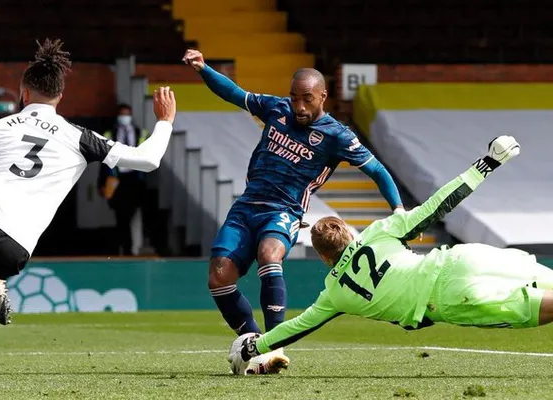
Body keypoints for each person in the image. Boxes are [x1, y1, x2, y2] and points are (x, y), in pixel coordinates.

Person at [0, 38, 177, 340]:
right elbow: (148, 159)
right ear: (60, 96)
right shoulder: (80, 137)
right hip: (17, 247)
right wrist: (165, 122)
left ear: (24, 93)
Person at [226, 135, 550, 375]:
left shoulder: (334, 294)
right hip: (461, 257)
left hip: (449, 297)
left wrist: (254, 346)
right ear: (350, 234)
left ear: (325, 258)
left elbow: (295, 327)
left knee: (539, 309)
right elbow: (438, 205)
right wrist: (486, 164)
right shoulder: (381, 230)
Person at [182, 49, 405, 373]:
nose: (299, 106)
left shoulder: (337, 135)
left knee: (269, 254)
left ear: (323, 96)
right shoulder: (277, 109)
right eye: (295, 98)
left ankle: (274, 343)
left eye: (307, 99)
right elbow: (235, 94)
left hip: (283, 211)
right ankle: (251, 341)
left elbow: (378, 171)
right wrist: (204, 69)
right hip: (246, 206)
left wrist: (398, 209)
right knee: (218, 277)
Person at [98, 103, 148, 255]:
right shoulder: (110, 133)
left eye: (127, 114)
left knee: (133, 213)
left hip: (135, 178)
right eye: (122, 114)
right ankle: (124, 247)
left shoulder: (140, 132)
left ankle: (130, 246)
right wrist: (101, 182)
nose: (124, 117)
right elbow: (103, 160)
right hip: (116, 178)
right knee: (120, 214)